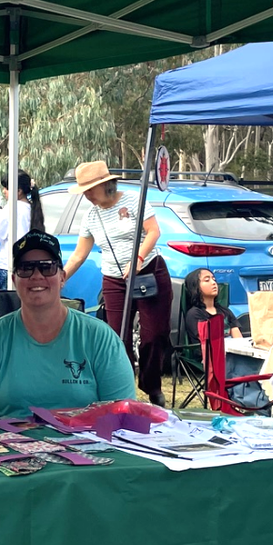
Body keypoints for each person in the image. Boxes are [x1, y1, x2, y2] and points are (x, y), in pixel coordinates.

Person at [0, 230, 136, 419]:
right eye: (25, 268)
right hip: (6, 446)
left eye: (47, 267)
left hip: (87, 446)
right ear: (14, 280)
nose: (36, 275)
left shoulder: (101, 339)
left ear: (62, 277)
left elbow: (123, 414)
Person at [62, 160, 172, 407]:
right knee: (117, 338)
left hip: (148, 272)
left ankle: (152, 387)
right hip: (114, 279)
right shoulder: (91, 216)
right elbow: (79, 253)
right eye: (84, 191)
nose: (87, 195)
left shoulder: (133, 200)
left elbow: (154, 231)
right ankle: (122, 392)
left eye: (90, 189)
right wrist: (61, 276)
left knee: (154, 335)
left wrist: (138, 258)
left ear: (106, 185)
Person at [0, 171, 44, 291]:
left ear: (18, 191)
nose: (4, 191)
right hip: (25, 266)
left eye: (6, 188)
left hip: (7, 266)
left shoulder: (11, 209)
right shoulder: (32, 209)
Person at [183, 268, 242, 348]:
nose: (214, 283)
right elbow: (210, 344)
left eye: (214, 279)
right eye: (207, 280)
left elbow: (239, 341)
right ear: (195, 287)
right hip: (210, 357)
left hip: (232, 354)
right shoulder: (194, 314)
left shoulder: (225, 311)